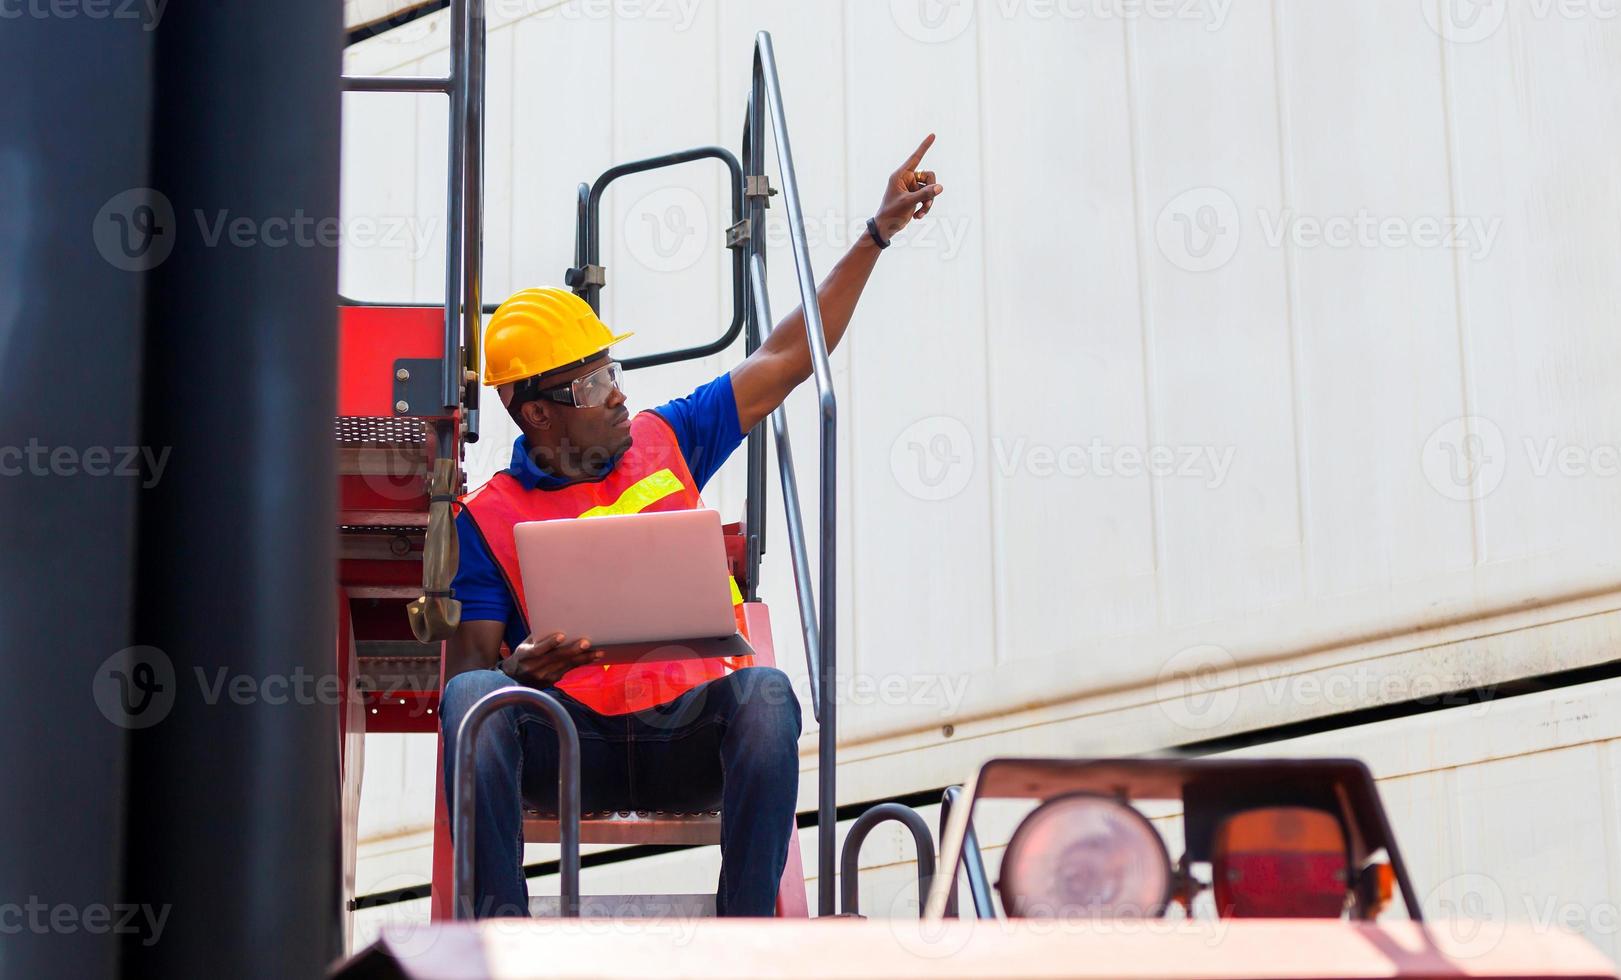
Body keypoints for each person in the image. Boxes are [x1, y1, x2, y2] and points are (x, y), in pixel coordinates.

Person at [439, 135, 944, 918]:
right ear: (536, 411)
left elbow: (789, 353)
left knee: (769, 697)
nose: (617, 393)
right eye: (594, 381)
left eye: (614, 371)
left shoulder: (668, 437)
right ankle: (501, 935)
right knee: (475, 694)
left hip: (687, 738)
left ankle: (742, 940)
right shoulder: (490, 516)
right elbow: (469, 678)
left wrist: (875, 234)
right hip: (575, 750)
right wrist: (519, 671)